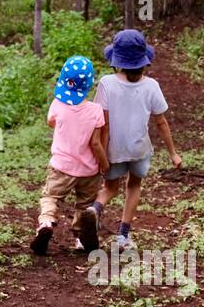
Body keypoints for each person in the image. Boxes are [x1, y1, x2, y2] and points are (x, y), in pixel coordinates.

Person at [93, 29, 182, 251]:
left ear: (117, 61)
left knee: (110, 187)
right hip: (139, 149)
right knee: (134, 185)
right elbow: (161, 122)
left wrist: (100, 154)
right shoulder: (151, 86)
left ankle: (94, 209)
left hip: (113, 149)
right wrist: (173, 153)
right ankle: (123, 236)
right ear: (144, 61)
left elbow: (101, 122)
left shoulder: (106, 83)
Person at [31, 56, 109, 256]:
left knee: (51, 196)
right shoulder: (95, 110)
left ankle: (46, 222)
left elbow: (51, 122)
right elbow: (95, 143)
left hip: (61, 166)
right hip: (88, 170)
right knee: (84, 204)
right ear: (89, 84)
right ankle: (82, 236)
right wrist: (104, 164)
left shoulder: (58, 104)